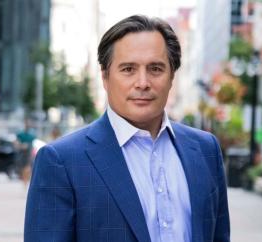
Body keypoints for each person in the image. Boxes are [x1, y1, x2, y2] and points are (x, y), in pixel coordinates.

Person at [24, 15, 230, 242]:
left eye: (155, 69)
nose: (142, 82)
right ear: (105, 77)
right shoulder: (62, 161)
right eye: (128, 69)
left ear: (172, 76)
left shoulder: (205, 149)